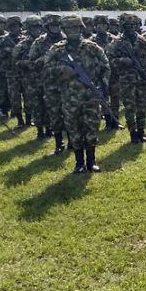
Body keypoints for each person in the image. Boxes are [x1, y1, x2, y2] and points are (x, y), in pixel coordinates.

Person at [45, 15, 111, 173]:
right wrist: (62, 70)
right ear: (64, 31)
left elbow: (106, 67)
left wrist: (102, 87)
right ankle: (79, 162)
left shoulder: (92, 47)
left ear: (81, 28)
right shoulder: (56, 49)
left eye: (76, 28)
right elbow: (46, 69)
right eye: (69, 29)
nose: (73, 31)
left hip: (91, 97)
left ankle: (92, 161)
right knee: (74, 129)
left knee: (92, 127)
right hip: (69, 97)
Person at [107, 13, 146, 143]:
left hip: (142, 79)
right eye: (128, 26)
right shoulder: (116, 42)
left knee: (142, 106)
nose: (131, 28)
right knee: (129, 107)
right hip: (126, 80)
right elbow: (110, 61)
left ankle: (141, 131)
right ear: (123, 26)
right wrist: (123, 60)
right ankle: (133, 133)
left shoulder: (142, 40)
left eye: (133, 25)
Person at [28, 13, 65, 147]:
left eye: (57, 25)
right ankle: (58, 142)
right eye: (52, 26)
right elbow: (31, 62)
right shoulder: (39, 42)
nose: (55, 28)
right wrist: (42, 61)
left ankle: (72, 141)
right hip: (47, 82)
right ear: (47, 27)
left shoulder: (67, 40)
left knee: (68, 112)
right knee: (52, 111)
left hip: (66, 82)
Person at [11, 15, 43, 129]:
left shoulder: (44, 42)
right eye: (34, 28)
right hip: (28, 78)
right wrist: (27, 63)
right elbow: (15, 62)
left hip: (44, 77)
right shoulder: (22, 45)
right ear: (29, 29)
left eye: (39, 28)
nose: (37, 31)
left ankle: (41, 125)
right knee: (30, 101)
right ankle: (26, 122)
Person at [91, 15, 121, 130]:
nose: (101, 28)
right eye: (98, 25)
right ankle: (108, 121)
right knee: (103, 98)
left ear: (107, 26)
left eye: (103, 25)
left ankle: (115, 120)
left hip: (114, 73)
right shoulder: (91, 41)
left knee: (115, 97)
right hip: (99, 74)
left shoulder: (115, 39)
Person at [0, 15, 23, 120]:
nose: (16, 29)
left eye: (17, 26)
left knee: (28, 96)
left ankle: (27, 118)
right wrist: (7, 51)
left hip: (23, 72)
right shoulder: (2, 40)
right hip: (7, 71)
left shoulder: (23, 39)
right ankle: (16, 118)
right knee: (12, 95)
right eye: (13, 27)